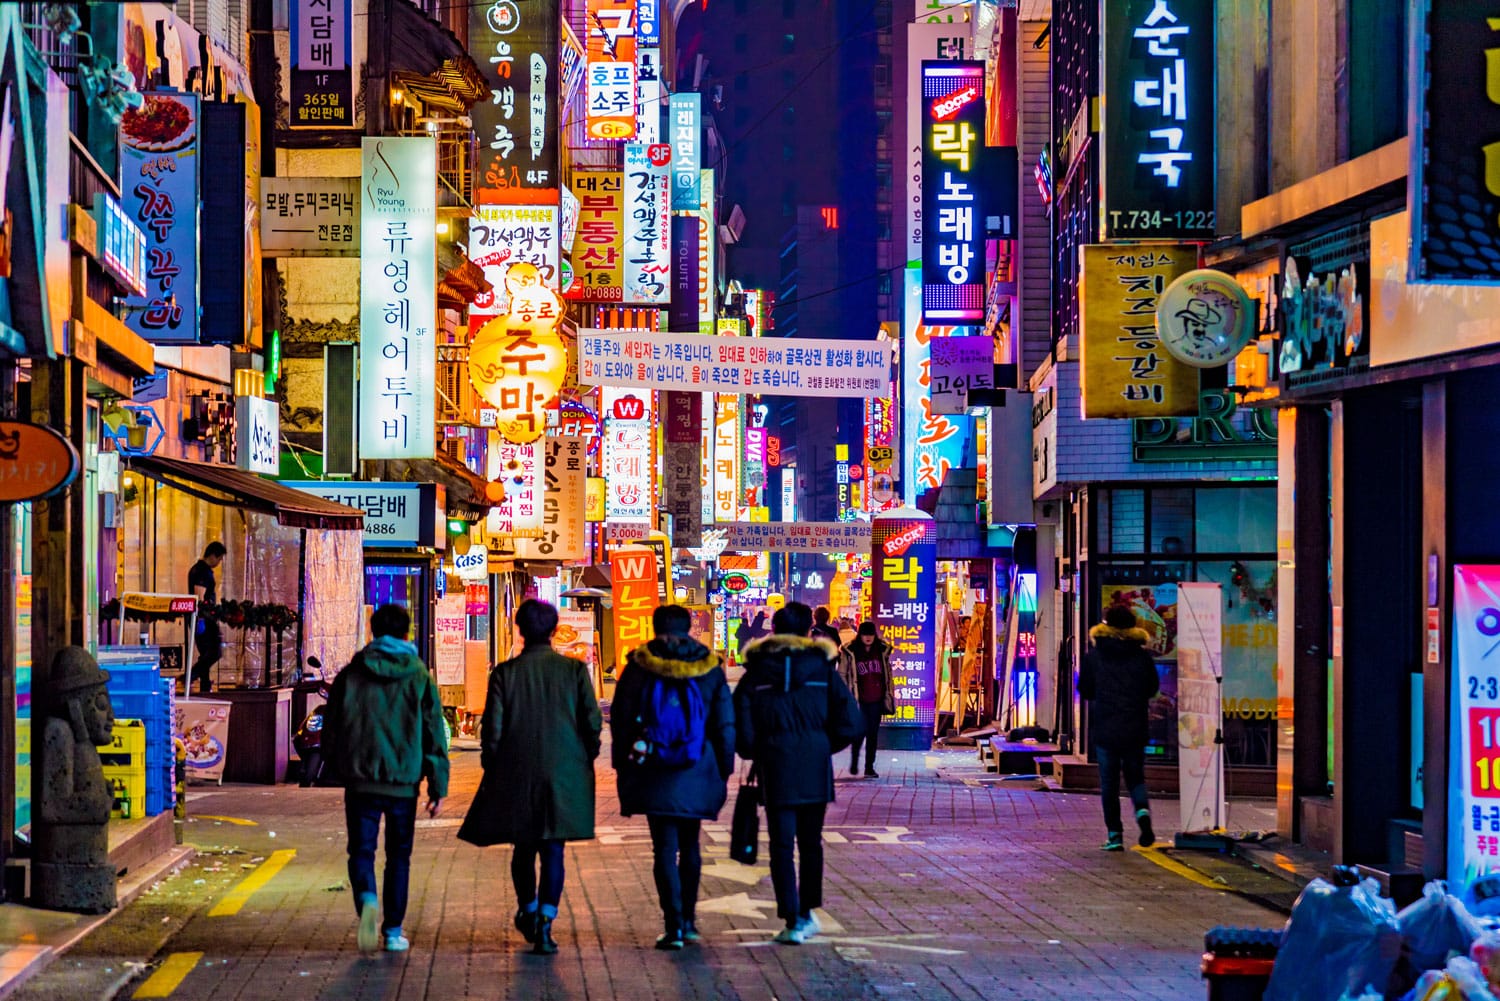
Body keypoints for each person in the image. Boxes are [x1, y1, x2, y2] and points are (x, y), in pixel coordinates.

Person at [459, 600, 601, 955]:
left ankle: (529, 908)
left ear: (520, 630)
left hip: (516, 771)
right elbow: (592, 723)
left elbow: (491, 730)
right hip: (563, 773)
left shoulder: (505, 674)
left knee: (523, 847)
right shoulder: (573, 671)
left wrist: (494, 766)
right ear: (554, 630)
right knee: (554, 848)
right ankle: (546, 921)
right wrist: (583, 758)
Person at [322, 604, 449, 953]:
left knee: (361, 851)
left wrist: (338, 767)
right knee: (398, 856)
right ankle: (393, 931)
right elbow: (434, 733)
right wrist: (437, 786)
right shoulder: (419, 674)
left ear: (373, 633)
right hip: (404, 782)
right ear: (407, 634)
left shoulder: (352, 673)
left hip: (361, 780)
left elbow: (332, 728)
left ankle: (367, 901)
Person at [734, 601, 862, 945]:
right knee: (810, 843)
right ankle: (807, 912)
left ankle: (791, 918)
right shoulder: (823, 670)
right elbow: (851, 722)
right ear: (809, 631)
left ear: (773, 630)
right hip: (814, 766)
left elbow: (740, 727)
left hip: (774, 765)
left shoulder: (757, 671)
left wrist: (755, 749)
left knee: (780, 844)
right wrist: (822, 744)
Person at [610, 605, 734, 950]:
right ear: (689, 627)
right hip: (697, 766)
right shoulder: (709, 667)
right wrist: (724, 768)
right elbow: (725, 722)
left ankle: (673, 925)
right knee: (690, 844)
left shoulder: (638, 666)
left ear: (654, 627)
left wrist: (625, 765)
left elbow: (620, 719)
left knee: (663, 848)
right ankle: (690, 921)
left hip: (653, 768)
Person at [1078, 605, 1161, 852]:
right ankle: (1143, 813)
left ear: (1106, 624)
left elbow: (1086, 690)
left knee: (1109, 783)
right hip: (1135, 726)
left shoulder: (1094, 655)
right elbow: (1152, 688)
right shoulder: (1142, 656)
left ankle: (1115, 835)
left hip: (1106, 726)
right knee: (1136, 777)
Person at [838, 622, 895, 778]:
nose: (868, 638)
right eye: (865, 634)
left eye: (871, 634)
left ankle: (869, 767)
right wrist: (844, 696)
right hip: (858, 699)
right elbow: (842, 674)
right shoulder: (850, 651)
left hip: (877, 698)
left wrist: (889, 694)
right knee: (859, 732)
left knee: (873, 733)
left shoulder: (881, 650)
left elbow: (888, 674)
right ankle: (855, 760)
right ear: (860, 635)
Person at [187, 542, 225, 694]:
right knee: (214, 651)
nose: (219, 562)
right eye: (219, 558)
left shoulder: (198, 569)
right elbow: (199, 596)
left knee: (206, 653)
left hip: (201, 617)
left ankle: (204, 683)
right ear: (213, 555)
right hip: (204, 617)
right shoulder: (202, 572)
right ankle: (191, 675)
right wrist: (201, 617)